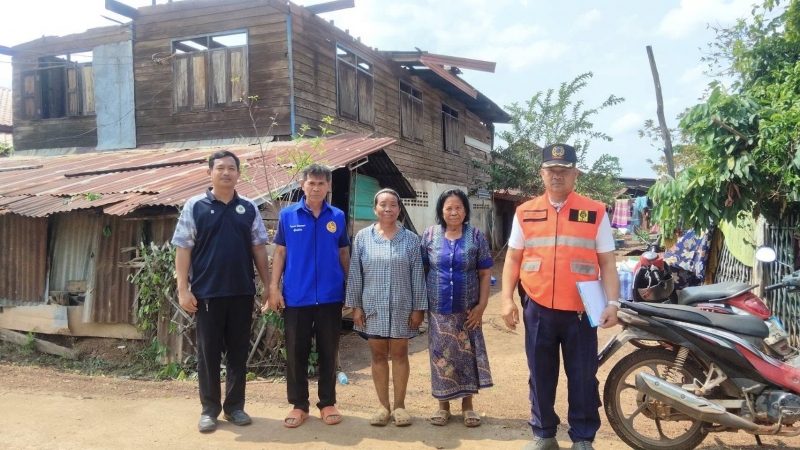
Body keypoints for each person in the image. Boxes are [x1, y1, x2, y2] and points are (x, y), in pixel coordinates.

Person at [500, 144, 620, 450]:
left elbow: (607, 262)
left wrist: (613, 303)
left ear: (575, 174)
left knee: (583, 375)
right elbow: (513, 258)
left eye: (563, 171)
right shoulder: (525, 212)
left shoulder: (595, 211)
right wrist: (507, 299)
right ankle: (544, 434)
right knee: (540, 374)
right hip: (538, 306)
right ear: (542, 174)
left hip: (581, 310)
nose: (557, 176)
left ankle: (583, 438)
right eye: (551, 170)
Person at [172, 150, 270, 433]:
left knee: (239, 353)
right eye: (220, 168)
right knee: (208, 355)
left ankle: (235, 407)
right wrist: (183, 289)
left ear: (238, 173)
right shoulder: (195, 206)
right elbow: (183, 248)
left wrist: (267, 286)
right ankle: (209, 410)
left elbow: (258, 248)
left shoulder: (248, 207)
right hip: (207, 294)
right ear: (210, 172)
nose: (226, 173)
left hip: (241, 292)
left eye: (231, 168)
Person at [267, 163, 350, 428]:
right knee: (296, 353)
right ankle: (299, 405)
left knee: (329, 352)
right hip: (296, 296)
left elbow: (343, 253)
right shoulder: (287, 216)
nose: (316, 188)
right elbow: (280, 253)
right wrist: (273, 288)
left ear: (328, 186)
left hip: (330, 296)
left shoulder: (337, 216)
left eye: (321, 183)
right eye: (311, 183)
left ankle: (327, 402)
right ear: (302, 185)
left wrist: (350, 288)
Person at [345, 188, 428, 427]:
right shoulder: (363, 237)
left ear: (399, 210)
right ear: (375, 209)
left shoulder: (411, 240)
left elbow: (417, 276)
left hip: (403, 306)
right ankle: (383, 406)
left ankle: (400, 406)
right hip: (373, 307)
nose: (388, 208)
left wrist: (418, 308)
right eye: (383, 204)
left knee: (400, 354)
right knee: (378, 355)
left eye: (393, 204)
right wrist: (356, 306)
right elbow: (356, 273)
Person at [421, 189, 494, 428]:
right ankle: (443, 406)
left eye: (458, 207)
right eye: (449, 208)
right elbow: (422, 270)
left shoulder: (476, 236)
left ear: (465, 210)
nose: (454, 212)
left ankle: (468, 406)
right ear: (441, 211)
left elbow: (485, 273)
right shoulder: (429, 235)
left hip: (468, 310)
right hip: (438, 309)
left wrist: (482, 306)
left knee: (466, 355)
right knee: (441, 356)